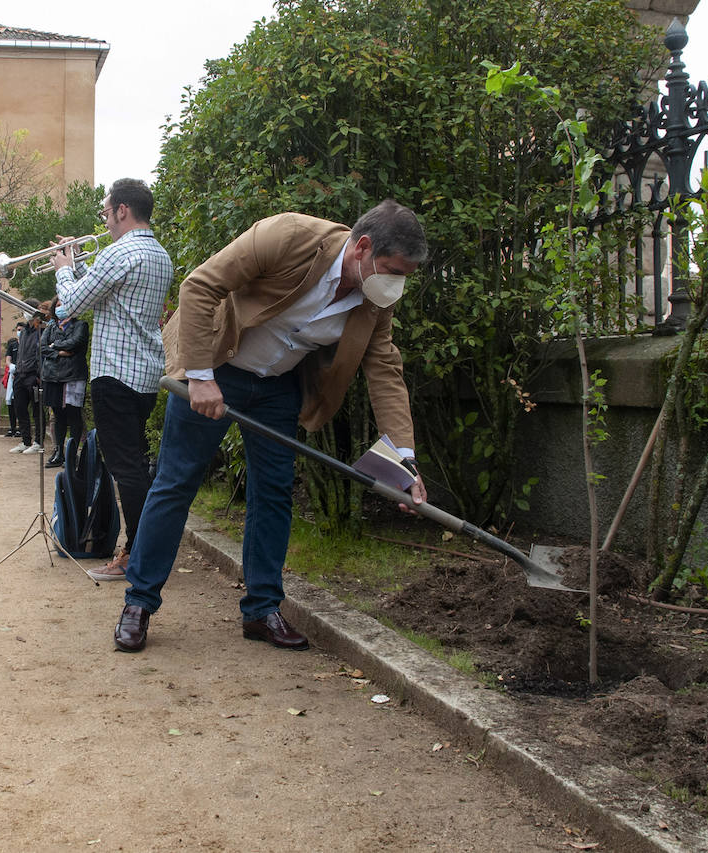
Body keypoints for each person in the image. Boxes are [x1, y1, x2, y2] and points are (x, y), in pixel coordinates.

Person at [111, 199, 429, 654]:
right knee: (176, 482)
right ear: (362, 247)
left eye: (404, 277)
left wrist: (404, 459)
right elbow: (200, 287)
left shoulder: (375, 298)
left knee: (274, 491)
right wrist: (200, 376)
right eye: (392, 270)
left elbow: (384, 369)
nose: (395, 284)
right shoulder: (289, 236)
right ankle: (139, 603)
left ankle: (262, 609)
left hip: (279, 385)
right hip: (219, 365)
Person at [51, 178, 173, 579]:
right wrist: (80, 264)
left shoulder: (118, 253)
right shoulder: (159, 254)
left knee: (127, 470)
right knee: (135, 462)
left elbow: (69, 305)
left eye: (105, 212)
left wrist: (64, 270)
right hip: (144, 374)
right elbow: (107, 293)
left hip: (114, 374)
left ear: (122, 210)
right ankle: (141, 548)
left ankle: (136, 555)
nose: (103, 220)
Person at [39, 297, 88, 467]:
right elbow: (42, 347)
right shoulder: (51, 326)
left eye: (64, 304)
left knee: (74, 415)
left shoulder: (80, 325)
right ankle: (58, 451)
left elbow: (75, 343)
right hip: (52, 376)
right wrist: (59, 352)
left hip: (73, 376)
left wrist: (54, 345)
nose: (61, 308)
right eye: (58, 305)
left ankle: (72, 453)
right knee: (58, 415)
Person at [8, 311, 44, 455]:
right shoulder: (22, 333)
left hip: (33, 375)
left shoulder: (41, 331)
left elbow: (41, 353)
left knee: (37, 410)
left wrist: (39, 374)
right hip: (20, 375)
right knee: (20, 408)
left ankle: (38, 442)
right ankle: (25, 440)